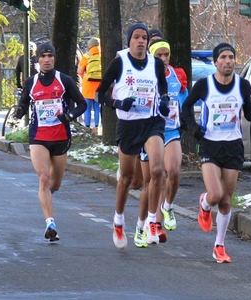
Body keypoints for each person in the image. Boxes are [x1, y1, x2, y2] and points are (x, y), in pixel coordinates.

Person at [181, 43, 251, 263]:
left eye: (231, 57)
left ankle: (219, 245)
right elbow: (186, 106)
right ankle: (204, 204)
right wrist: (193, 127)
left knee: (226, 201)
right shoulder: (204, 84)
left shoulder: (242, 85)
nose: (228, 61)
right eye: (224, 57)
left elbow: (247, 112)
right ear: (216, 62)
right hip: (210, 144)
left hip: (233, 146)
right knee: (216, 194)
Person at [95, 22, 169, 249]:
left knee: (157, 170)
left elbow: (163, 87)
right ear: (129, 41)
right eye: (136, 37)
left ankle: (151, 221)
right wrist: (118, 103)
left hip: (151, 122)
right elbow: (99, 94)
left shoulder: (156, 64)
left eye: (144, 38)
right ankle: (118, 221)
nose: (140, 41)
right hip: (128, 125)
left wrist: (164, 101)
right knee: (127, 179)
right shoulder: (120, 63)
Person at [14, 43, 87, 242]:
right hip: (38, 136)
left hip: (60, 137)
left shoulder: (64, 80)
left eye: (50, 56)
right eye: (43, 56)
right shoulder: (31, 82)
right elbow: (23, 104)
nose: (46, 60)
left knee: (55, 183)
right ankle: (50, 223)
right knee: (44, 178)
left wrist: (69, 116)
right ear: (37, 60)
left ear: (54, 58)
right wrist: (19, 112)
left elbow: (83, 104)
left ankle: (45, 195)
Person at [134, 39, 188, 248]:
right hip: (149, 133)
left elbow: (185, 100)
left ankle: (167, 206)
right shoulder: (144, 76)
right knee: (152, 181)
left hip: (171, 130)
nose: (164, 59)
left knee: (173, 171)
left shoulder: (176, 76)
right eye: (159, 56)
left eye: (167, 55)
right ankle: (146, 224)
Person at [78, 37, 102, 134]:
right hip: (99, 87)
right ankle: (97, 128)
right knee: (97, 108)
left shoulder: (86, 57)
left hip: (88, 86)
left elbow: (80, 71)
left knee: (87, 108)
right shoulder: (102, 56)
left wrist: (85, 76)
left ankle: (87, 127)